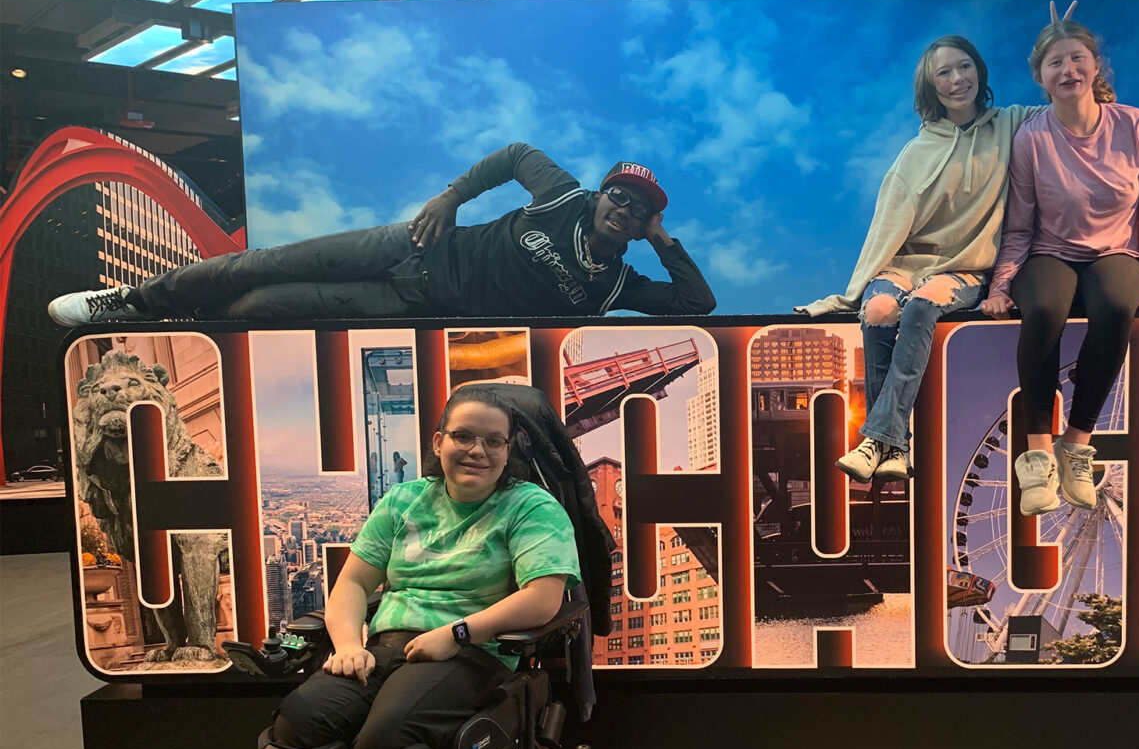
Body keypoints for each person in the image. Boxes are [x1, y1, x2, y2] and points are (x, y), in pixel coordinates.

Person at [218, 382, 581, 749]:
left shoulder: (530, 508)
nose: (477, 450)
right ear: (438, 442)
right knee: (301, 720)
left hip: (473, 655)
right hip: (385, 648)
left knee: (387, 737)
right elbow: (354, 586)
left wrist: (459, 633)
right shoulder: (405, 501)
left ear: (509, 448)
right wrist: (349, 646)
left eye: (492, 440)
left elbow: (543, 598)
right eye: (463, 436)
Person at [48, 145, 716, 325]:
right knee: (259, 264)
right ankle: (129, 301)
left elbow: (696, 306)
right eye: (618, 196)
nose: (623, 209)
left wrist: (665, 243)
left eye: (639, 210)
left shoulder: (619, 282)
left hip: (416, 303)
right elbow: (515, 153)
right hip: (412, 246)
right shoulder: (565, 195)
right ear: (601, 194)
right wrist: (451, 196)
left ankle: (178, 318)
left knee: (263, 307)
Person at [798, 36, 1043, 482]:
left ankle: (878, 440)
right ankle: (891, 448)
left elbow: (1065, 107)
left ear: (980, 72)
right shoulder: (915, 152)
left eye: (964, 67)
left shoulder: (1012, 124)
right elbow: (886, 228)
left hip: (966, 267)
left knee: (921, 306)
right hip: (906, 264)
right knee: (878, 308)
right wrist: (854, 290)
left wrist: (1052, 47)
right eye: (943, 73)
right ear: (930, 87)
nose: (956, 80)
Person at [981, 5, 1139, 516]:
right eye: (1055, 63)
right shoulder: (1032, 138)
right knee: (1043, 308)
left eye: (1076, 58)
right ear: (1040, 76)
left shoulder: (1136, 126)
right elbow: (1020, 224)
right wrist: (1001, 287)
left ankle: (1077, 444)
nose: (1067, 70)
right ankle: (1038, 454)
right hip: (1050, 252)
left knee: (1116, 304)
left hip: (1116, 251)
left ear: (1095, 66)